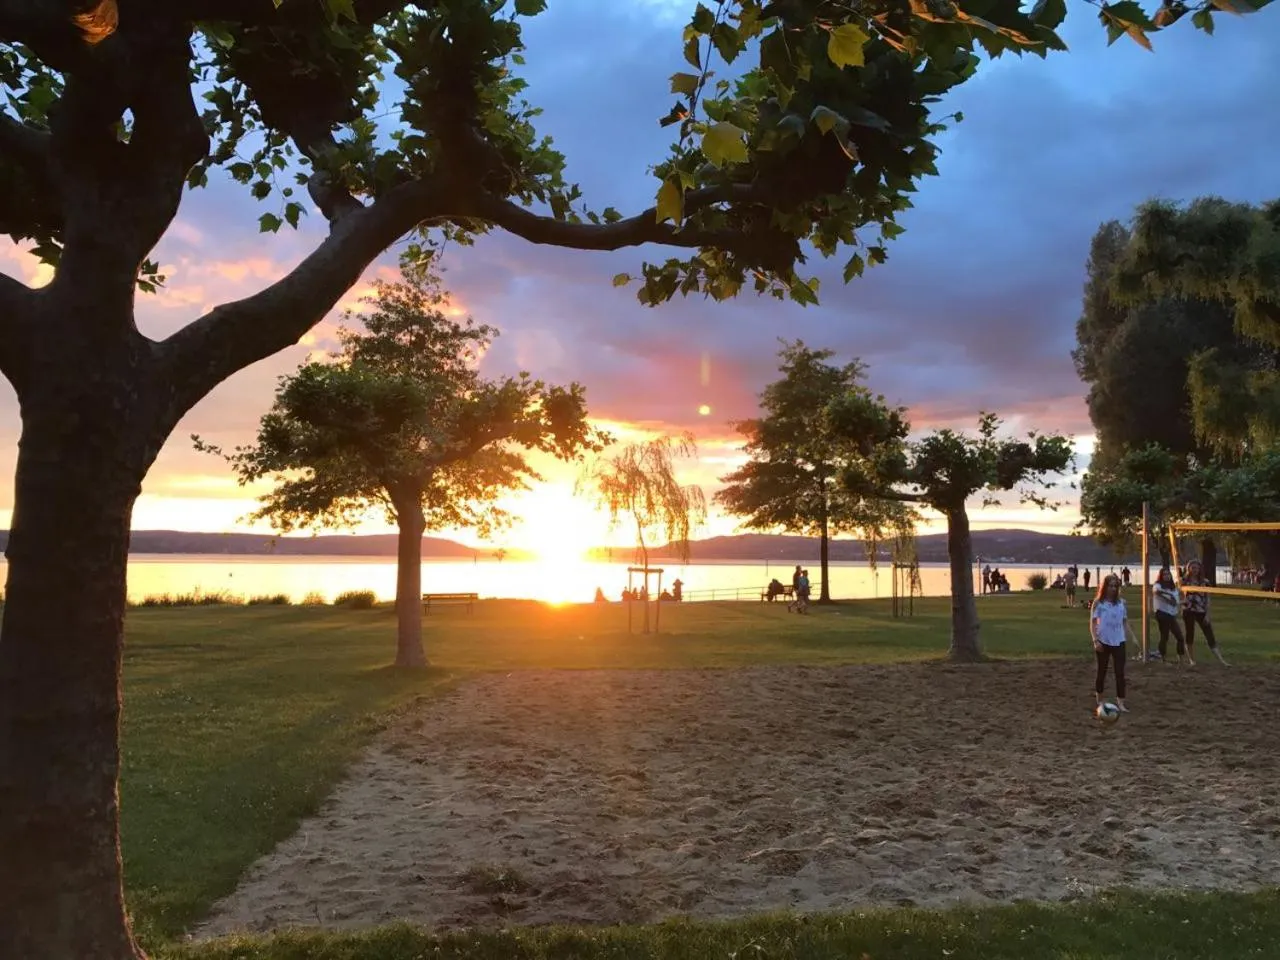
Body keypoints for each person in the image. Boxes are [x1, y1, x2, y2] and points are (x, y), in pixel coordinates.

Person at [1091, 574, 1136, 711]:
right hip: (1103, 641)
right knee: (1102, 671)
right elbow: (1093, 623)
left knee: (1120, 673)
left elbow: (1124, 621)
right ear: (1105, 587)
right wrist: (1095, 640)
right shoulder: (1098, 603)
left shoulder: (1121, 603)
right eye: (1110, 586)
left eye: (1115, 586)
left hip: (1119, 641)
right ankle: (1100, 700)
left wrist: (1132, 636)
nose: (1113, 588)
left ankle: (1121, 702)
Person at [1182, 560, 1228, 665]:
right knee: (1189, 635)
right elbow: (1179, 595)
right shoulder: (1183, 581)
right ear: (1188, 569)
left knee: (1209, 634)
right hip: (1188, 611)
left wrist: (1207, 613)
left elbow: (1207, 599)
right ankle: (1192, 660)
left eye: (1196, 568)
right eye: (1192, 568)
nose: (1195, 570)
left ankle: (1221, 660)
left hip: (1201, 611)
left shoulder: (1205, 582)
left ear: (1200, 569)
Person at [1152, 566, 1188, 663]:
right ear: (1161, 576)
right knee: (1165, 636)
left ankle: (1180, 658)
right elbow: (1156, 592)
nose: (1167, 576)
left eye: (1168, 574)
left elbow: (1175, 602)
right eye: (1164, 574)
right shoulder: (1158, 585)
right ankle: (1162, 658)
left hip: (1171, 614)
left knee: (1179, 637)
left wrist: (1182, 602)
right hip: (1162, 613)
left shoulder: (1173, 588)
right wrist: (1169, 597)